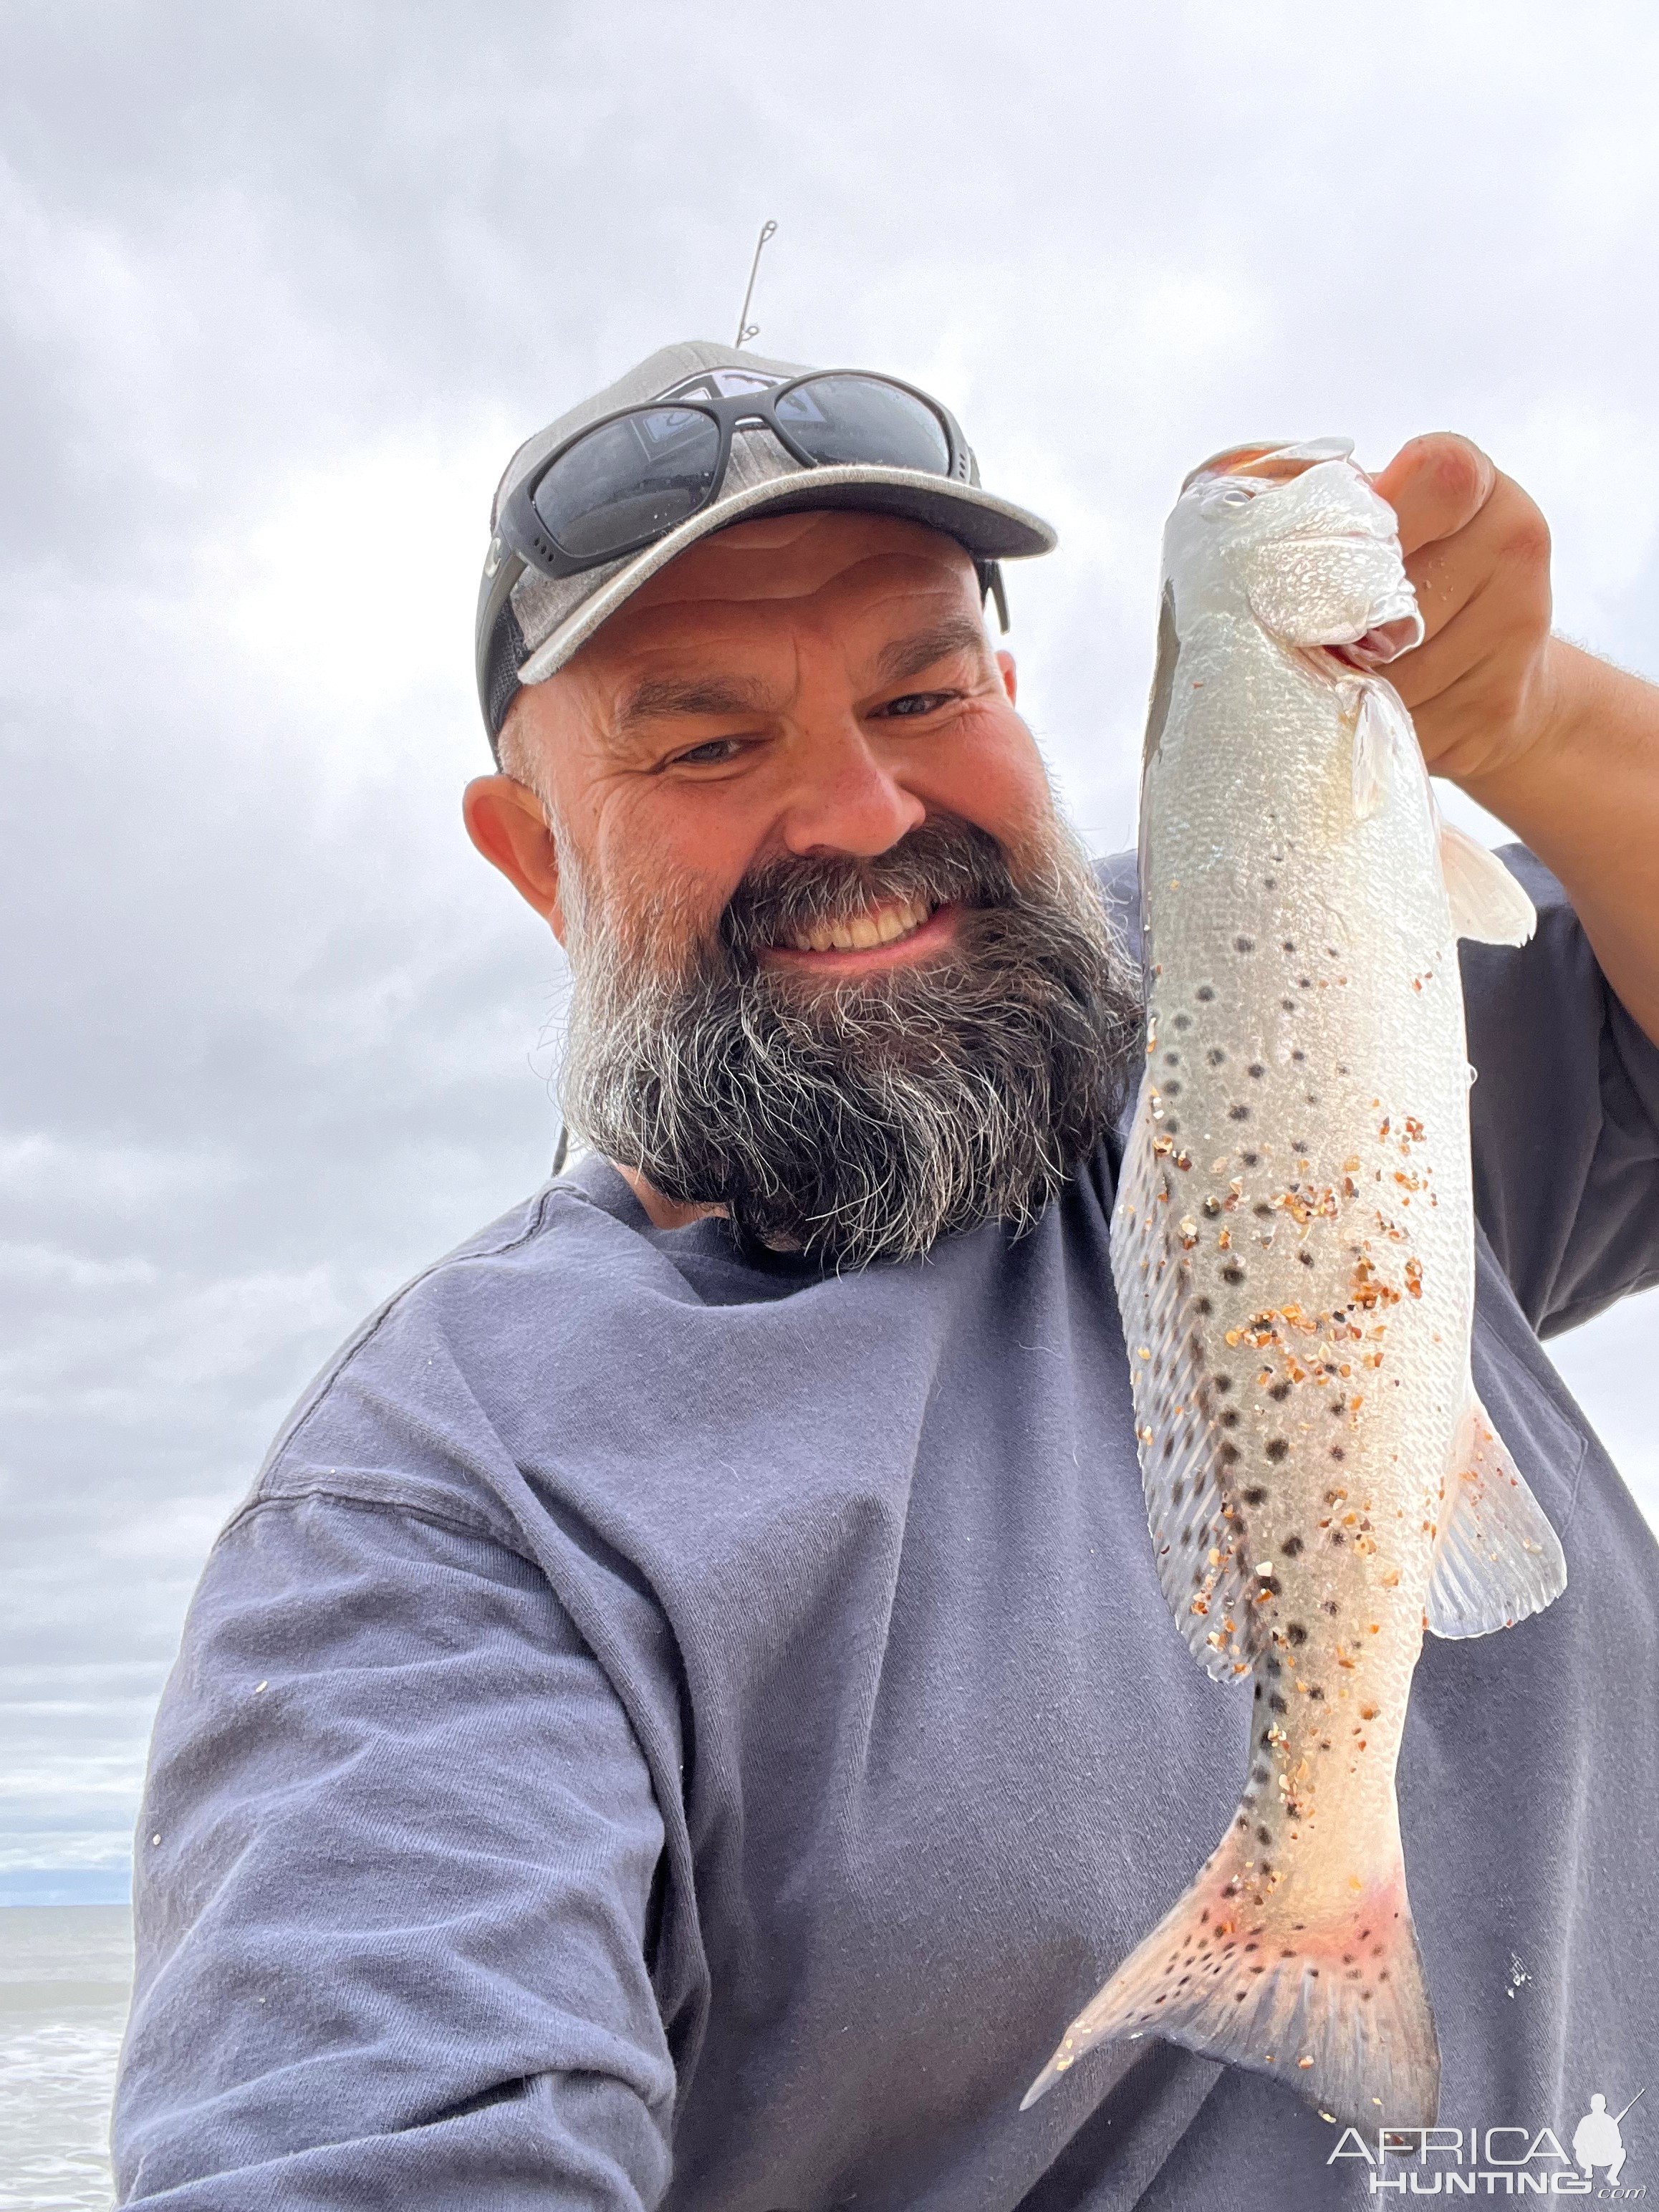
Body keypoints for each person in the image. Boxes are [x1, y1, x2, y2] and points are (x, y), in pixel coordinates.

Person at [111, 341, 1659, 2209]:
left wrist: (1536, 721)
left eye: (921, 690)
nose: (853, 811)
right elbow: (372, 2131)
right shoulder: (444, 1512)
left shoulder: (1260, 981)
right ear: (534, 857)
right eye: (704, 743)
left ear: (1014, 698)